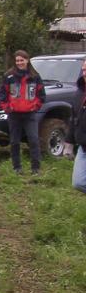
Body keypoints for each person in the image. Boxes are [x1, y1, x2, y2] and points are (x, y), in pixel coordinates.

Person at [0, 50, 46, 175]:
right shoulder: (9, 76)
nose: (20, 63)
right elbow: (2, 94)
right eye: (17, 60)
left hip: (30, 114)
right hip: (14, 115)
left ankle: (36, 168)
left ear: (27, 60)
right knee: (14, 141)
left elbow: (41, 96)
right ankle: (17, 168)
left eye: (22, 60)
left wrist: (35, 107)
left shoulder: (35, 76)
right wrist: (7, 108)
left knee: (34, 140)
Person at [64, 57, 86, 193]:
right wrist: (68, 143)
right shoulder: (79, 93)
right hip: (83, 147)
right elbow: (73, 119)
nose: (85, 73)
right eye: (83, 69)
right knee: (78, 182)